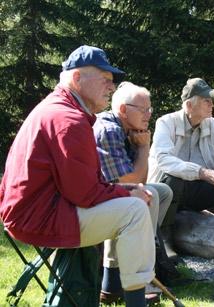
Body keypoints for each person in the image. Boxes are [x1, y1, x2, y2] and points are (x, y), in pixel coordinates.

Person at [0, 45, 155, 307]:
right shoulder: (68, 119)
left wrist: (126, 190)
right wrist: (129, 193)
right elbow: (85, 194)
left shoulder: (59, 109)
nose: (111, 86)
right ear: (77, 78)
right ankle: (133, 299)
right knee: (135, 210)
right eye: (105, 79)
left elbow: (83, 188)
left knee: (134, 199)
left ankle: (117, 287)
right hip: (38, 217)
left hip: (37, 209)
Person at [93, 82, 179, 302]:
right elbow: (131, 181)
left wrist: (141, 145)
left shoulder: (129, 129)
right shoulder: (109, 130)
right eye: (143, 109)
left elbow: (139, 179)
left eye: (150, 109)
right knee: (145, 195)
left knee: (163, 191)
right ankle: (116, 280)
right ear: (123, 109)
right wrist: (143, 147)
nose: (148, 115)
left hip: (110, 195)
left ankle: (141, 251)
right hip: (94, 200)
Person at [148, 77, 214, 231]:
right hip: (169, 194)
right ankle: (165, 238)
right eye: (207, 100)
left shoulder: (213, 125)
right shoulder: (166, 123)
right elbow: (164, 160)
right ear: (189, 105)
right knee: (174, 178)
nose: (212, 105)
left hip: (199, 192)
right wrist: (202, 172)